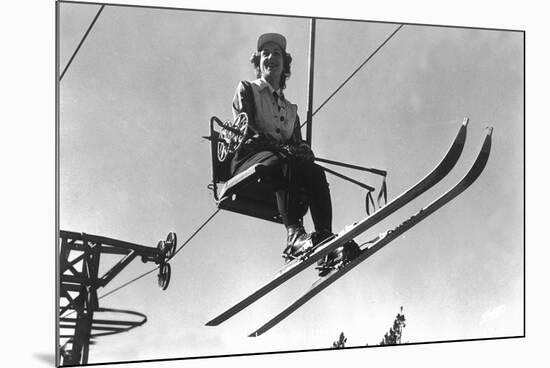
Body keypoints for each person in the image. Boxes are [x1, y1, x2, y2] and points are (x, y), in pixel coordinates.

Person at [230, 33, 359, 275]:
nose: (271, 58)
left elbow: (297, 145)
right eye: (265, 53)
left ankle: (324, 239)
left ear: (284, 64)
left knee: (313, 170)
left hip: (279, 165)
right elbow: (244, 131)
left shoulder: (291, 110)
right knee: (285, 159)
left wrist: (303, 150)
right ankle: (293, 236)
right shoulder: (248, 89)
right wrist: (283, 149)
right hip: (249, 159)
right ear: (258, 63)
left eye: (276, 53)